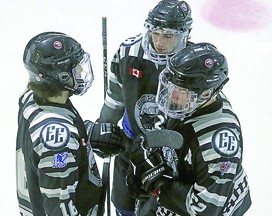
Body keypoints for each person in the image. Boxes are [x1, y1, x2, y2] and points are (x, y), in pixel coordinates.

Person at [128, 42, 252, 215]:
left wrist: (159, 185)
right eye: (170, 87)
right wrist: (148, 146)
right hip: (181, 187)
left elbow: (206, 210)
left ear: (206, 94)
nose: (171, 95)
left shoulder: (218, 147)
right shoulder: (190, 101)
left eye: (179, 91)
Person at [98, 0, 193, 215]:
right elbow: (114, 99)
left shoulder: (191, 65)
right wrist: (103, 130)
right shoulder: (128, 52)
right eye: (155, 33)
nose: (159, 42)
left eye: (168, 36)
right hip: (130, 147)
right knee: (123, 208)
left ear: (184, 35)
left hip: (169, 162)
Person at [16, 32, 124, 216]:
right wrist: (72, 139)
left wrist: (86, 132)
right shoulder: (59, 141)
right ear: (61, 76)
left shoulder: (31, 98)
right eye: (76, 69)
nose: (82, 72)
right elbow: (58, 207)